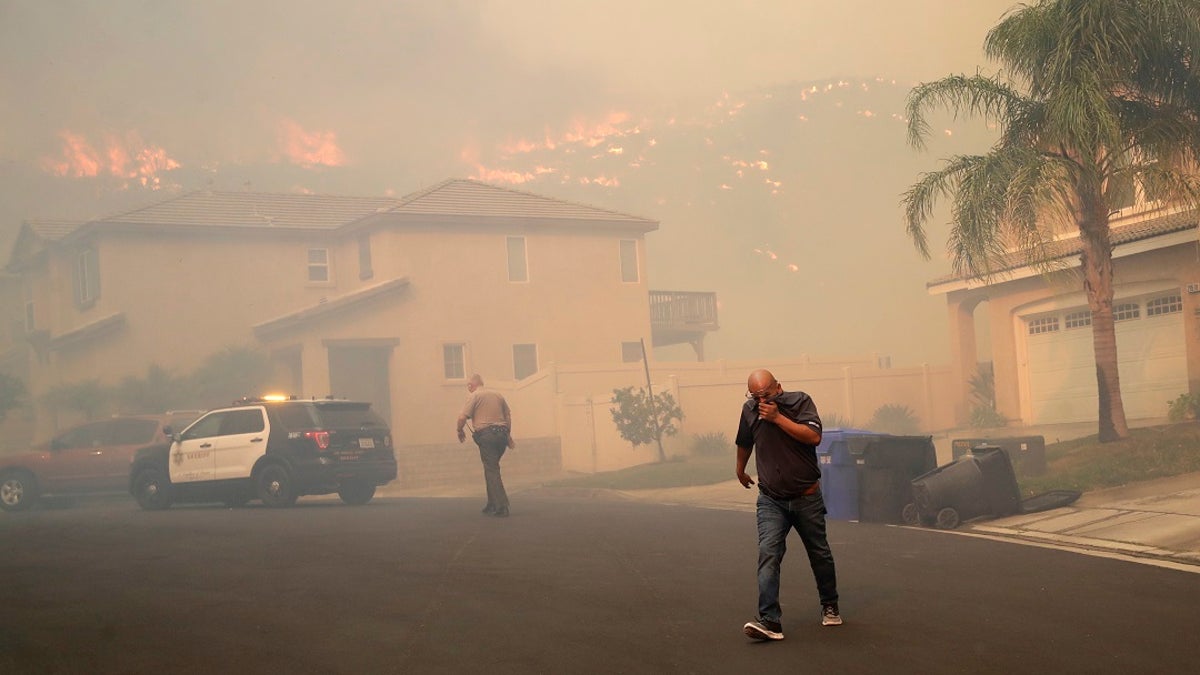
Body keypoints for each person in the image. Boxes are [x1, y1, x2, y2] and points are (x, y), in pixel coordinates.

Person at [735, 368, 841, 641]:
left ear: (778, 388)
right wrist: (740, 469)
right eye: (755, 396)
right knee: (768, 553)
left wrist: (778, 418)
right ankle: (770, 621)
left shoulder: (800, 402)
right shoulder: (749, 411)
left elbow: (813, 437)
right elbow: (745, 441)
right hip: (771, 499)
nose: (760, 401)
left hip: (806, 496)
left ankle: (830, 604)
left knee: (819, 552)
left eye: (765, 395)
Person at [457, 374, 514, 517]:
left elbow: (462, 417)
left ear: (473, 385)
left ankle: (502, 505)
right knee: (491, 467)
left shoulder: (474, 396)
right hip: (501, 435)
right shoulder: (498, 395)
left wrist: (459, 430)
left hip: (487, 436)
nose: (468, 388)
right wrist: (508, 435)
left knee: (492, 469)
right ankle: (492, 503)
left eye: (468, 385)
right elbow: (507, 416)